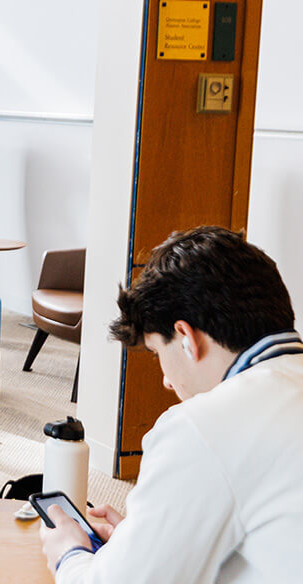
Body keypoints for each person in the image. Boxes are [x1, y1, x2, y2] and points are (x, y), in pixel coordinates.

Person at [39, 226, 303, 584]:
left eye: (157, 352)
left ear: (185, 338)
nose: (166, 380)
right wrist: (150, 541)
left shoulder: (202, 426)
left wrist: (69, 554)